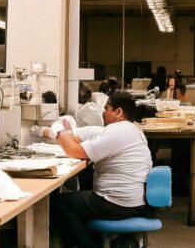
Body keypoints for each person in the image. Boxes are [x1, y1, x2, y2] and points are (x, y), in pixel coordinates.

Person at [48, 91, 153, 248]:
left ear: (118, 112)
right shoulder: (135, 130)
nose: (103, 112)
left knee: (57, 203)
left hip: (118, 202)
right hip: (136, 201)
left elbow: (75, 152)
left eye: (106, 108)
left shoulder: (118, 130)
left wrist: (57, 130)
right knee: (82, 193)